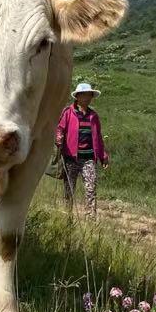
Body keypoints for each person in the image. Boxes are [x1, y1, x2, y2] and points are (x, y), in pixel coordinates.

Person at [54, 82, 109, 218]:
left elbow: (98, 138)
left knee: (91, 188)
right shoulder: (68, 113)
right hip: (70, 158)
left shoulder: (93, 116)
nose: (88, 98)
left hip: (89, 158)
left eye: (89, 95)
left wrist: (103, 156)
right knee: (69, 189)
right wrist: (59, 138)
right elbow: (60, 128)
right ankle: (68, 216)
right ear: (77, 97)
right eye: (85, 95)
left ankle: (91, 218)